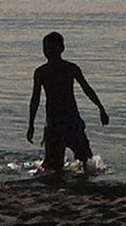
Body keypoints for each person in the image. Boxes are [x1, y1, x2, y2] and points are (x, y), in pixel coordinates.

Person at [27, 31, 109, 173]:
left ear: (61, 49)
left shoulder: (70, 68)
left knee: (85, 157)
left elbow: (87, 89)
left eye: (52, 48)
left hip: (72, 119)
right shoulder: (41, 72)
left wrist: (101, 108)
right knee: (53, 162)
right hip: (54, 121)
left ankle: (85, 180)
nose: (49, 51)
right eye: (46, 48)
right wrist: (31, 125)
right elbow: (35, 99)